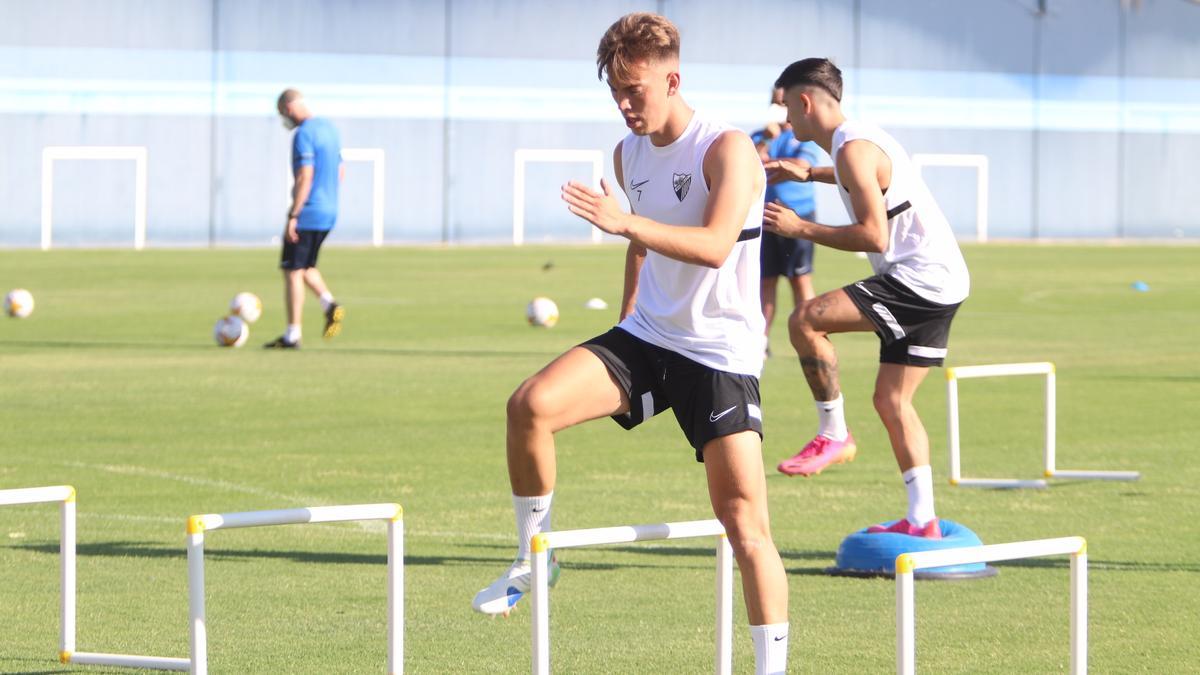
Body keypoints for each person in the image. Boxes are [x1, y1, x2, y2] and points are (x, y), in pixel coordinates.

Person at [472, 13, 789, 673]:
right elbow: (641, 244)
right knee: (528, 406)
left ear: (672, 79)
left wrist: (623, 221)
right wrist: (623, 324)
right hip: (648, 337)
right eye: (614, 90)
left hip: (720, 356)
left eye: (634, 90)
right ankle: (536, 556)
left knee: (746, 529)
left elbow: (713, 246)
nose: (623, 104)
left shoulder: (724, 149)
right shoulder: (628, 153)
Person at [763, 58, 970, 539]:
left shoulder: (853, 148)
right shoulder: (856, 141)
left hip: (916, 280)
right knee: (892, 401)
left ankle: (833, 434)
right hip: (942, 281)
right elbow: (862, 176)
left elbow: (874, 237)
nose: (787, 120)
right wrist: (808, 173)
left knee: (806, 321)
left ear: (806, 101)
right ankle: (924, 521)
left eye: (788, 107)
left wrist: (800, 228)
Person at [264, 89, 344, 349]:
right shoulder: (330, 129)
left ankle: (292, 335)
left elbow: (304, 176)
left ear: (288, 108)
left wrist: (294, 214)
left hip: (309, 211)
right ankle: (329, 304)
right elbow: (340, 171)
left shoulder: (304, 134)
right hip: (329, 210)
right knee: (306, 264)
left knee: (292, 270)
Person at [751, 87, 821, 357]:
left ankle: (812, 333)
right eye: (775, 103)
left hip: (799, 216)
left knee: (800, 279)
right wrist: (766, 143)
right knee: (765, 281)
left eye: (783, 103)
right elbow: (748, 163)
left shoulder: (805, 135)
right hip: (766, 216)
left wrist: (772, 162)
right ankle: (760, 340)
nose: (779, 108)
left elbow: (802, 165)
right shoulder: (761, 135)